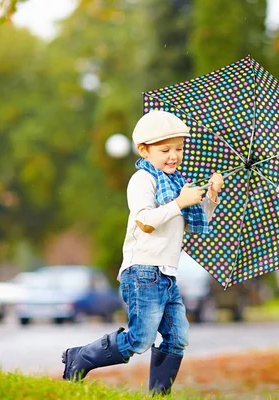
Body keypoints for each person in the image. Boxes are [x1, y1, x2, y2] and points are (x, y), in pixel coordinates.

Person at [62, 110, 224, 395]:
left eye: (179, 148)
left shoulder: (177, 183)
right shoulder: (143, 180)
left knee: (177, 337)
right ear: (144, 150)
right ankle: (80, 357)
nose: (174, 155)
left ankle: (159, 394)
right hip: (143, 271)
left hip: (167, 273)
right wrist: (179, 202)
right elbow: (145, 222)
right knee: (140, 339)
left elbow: (191, 222)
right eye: (165, 150)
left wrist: (210, 197)